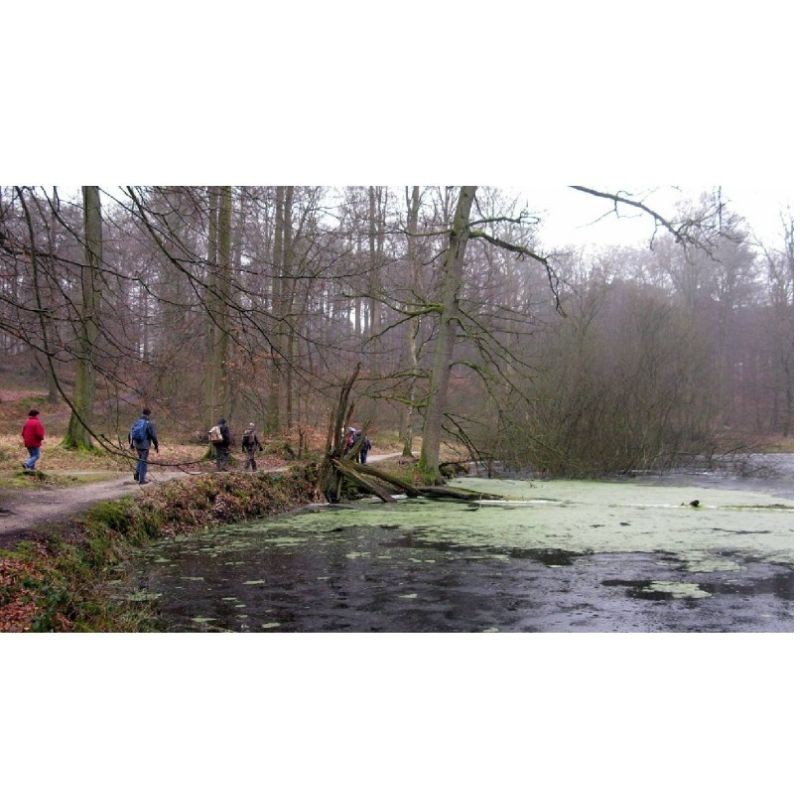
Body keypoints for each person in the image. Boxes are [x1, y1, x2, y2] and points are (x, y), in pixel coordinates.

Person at [128, 408, 159, 485]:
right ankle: (142, 480)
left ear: (142, 413)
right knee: (143, 461)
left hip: (137, 444)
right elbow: (153, 436)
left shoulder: (136, 422)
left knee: (140, 459)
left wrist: (131, 444)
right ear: (149, 414)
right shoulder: (148, 423)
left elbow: (130, 433)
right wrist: (156, 445)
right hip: (145, 445)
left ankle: (137, 474)